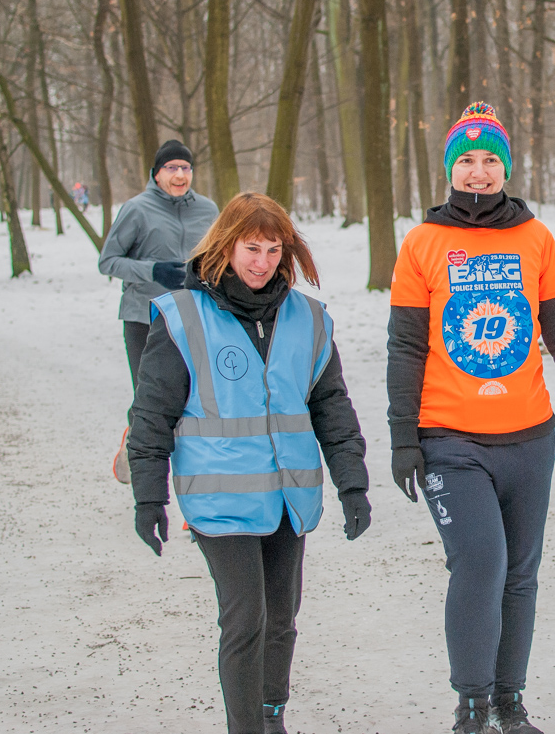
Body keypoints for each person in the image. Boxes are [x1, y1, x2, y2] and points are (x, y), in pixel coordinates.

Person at [387, 103, 555, 734]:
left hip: (529, 440)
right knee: (480, 564)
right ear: (449, 169)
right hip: (450, 439)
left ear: (506, 168)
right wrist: (402, 436)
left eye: (490, 159)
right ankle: (471, 706)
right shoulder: (422, 243)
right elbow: (405, 346)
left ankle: (508, 702)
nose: (478, 171)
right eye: (466, 160)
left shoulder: (535, 238)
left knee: (520, 575)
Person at [127, 192, 371, 734]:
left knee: (281, 619)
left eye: (273, 249)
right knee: (246, 620)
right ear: (225, 247)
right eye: (251, 248)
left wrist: (352, 485)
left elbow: (331, 405)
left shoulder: (308, 318)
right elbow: (151, 414)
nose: (262, 262)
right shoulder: (182, 316)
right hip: (219, 500)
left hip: (287, 498)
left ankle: (270, 716)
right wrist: (148, 497)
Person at [98, 140, 218, 479]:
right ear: (156, 174)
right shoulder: (136, 209)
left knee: (195, 398)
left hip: (193, 315)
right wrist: (152, 271)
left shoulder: (208, 210)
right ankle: (138, 451)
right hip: (144, 317)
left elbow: (220, 256)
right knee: (150, 399)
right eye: (171, 168)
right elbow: (108, 261)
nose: (180, 175)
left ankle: (196, 475)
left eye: (186, 168)